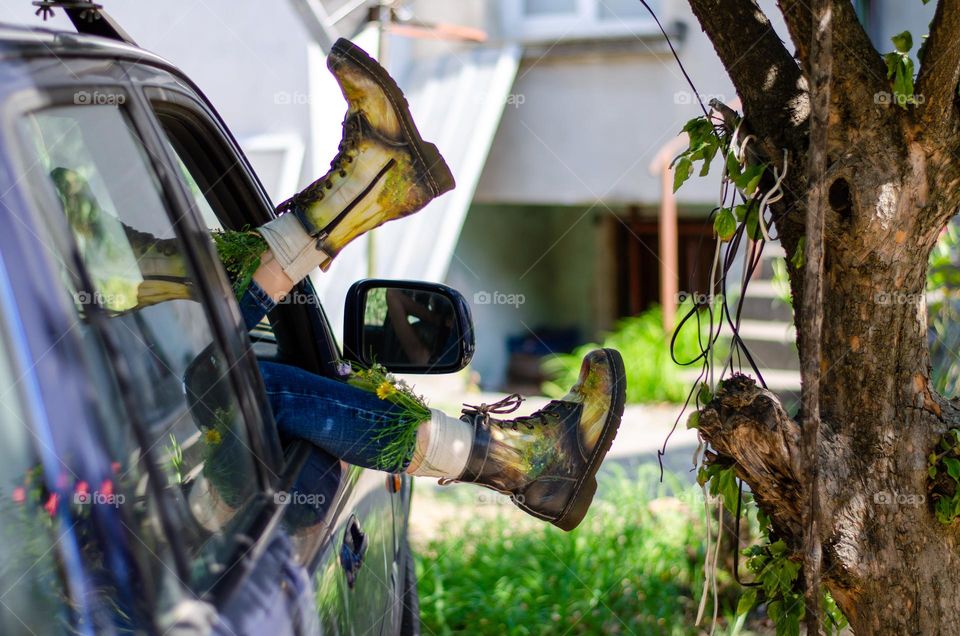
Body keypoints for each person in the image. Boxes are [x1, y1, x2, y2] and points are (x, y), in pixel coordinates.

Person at [62, 38, 627, 532]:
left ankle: (361, 191)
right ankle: (361, 193)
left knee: (225, 379)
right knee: (222, 380)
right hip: (146, 545)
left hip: (141, 513)